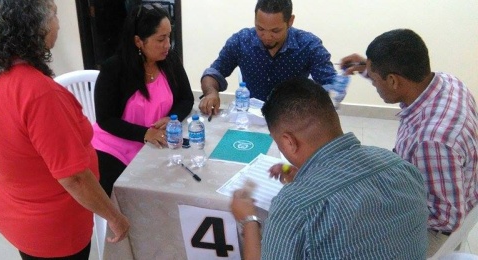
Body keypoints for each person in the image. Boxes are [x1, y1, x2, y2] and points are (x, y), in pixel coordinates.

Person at [0, 1, 129, 259]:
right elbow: (75, 178)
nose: (58, 24)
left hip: (13, 209)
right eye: (54, 16)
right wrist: (114, 218)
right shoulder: (39, 94)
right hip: (56, 230)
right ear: (33, 29)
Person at [230, 78, 428, 259]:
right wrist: (307, 180)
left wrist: (248, 219)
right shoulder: (400, 166)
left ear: (289, 141)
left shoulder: (294, 205)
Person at [340, 28, 478, 257]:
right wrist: (369, 68)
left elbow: (445, 219)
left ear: (393, 80)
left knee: (356, 235)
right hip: (461, 187)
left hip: (437, 229)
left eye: (375, 80)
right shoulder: (448, 82)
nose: (374, 85)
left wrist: (383, 204)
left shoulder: (430, 140)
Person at [92, 3, 194, 196]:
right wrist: (144, 133)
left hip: (153, 143)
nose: (167, 45)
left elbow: (186, 98)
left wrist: (173, 116)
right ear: (139, 41)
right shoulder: (113, 70)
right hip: (115, 146)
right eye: (161, 39)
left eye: (169, 37)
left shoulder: (169, 60)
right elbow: (105, 120)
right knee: (129, 196)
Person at [199, 0, 336, 115]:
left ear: (290, 21)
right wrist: (211, 93)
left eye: (275, 31)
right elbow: (213, 73)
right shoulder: (241, 41)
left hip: (291, 118)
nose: (267, 36)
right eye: (260, 28)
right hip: (251, 116)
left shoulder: (308, 45)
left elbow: (330, 85)